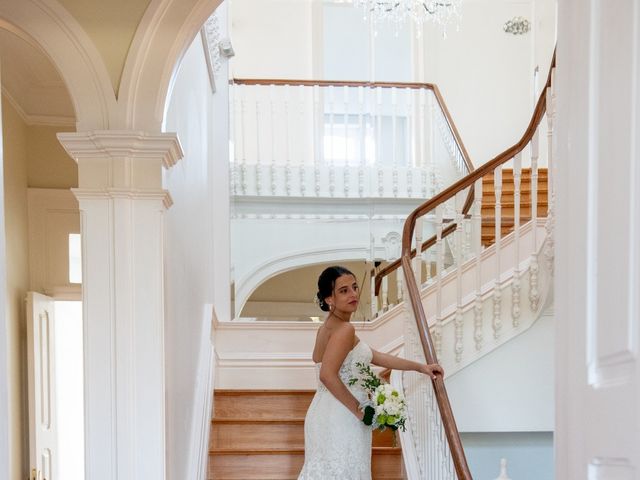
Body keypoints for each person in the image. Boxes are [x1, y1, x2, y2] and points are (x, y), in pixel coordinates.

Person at [298, 265, 444, 479]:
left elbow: (375, 356)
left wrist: (420, 367)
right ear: (329, 299)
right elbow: (327, 375)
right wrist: (359, 410)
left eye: (355, 287)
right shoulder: (344, 330)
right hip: (341, 415)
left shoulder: (329, 327)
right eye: (344, 290)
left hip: (323, 412)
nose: (353, 294)